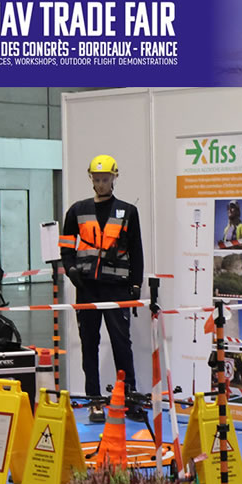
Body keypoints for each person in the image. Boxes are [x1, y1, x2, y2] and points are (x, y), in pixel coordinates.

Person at [60, 154, 144, 422]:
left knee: (122, 344)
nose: (100, 184)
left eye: (105, 179)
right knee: (89, 344)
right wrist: (70, 268)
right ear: (91, 179)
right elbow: (65, 246)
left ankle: (129, 399)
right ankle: (94, 400)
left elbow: (136, 250)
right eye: (96, 180)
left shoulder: (128, 211)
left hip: (116, 288)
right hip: (86, 287)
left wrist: (136, 283)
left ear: (114, 178)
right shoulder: (77, 210)